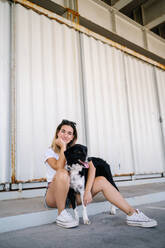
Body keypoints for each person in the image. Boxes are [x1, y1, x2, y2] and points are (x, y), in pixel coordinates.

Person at [44, 119, 157, 229]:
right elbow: (59, 167)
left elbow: (91, 168)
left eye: (69, 133)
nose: (65, 135)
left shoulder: (77, 150)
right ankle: (61, 214)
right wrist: (63, 147)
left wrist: (87, 191)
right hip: (54, 197)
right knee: (63, 173)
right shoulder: (50, 152)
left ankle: (132, 214)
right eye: (63, 131)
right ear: (57, 132)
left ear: (73, 137)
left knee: (102, 180)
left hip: (73, 195)